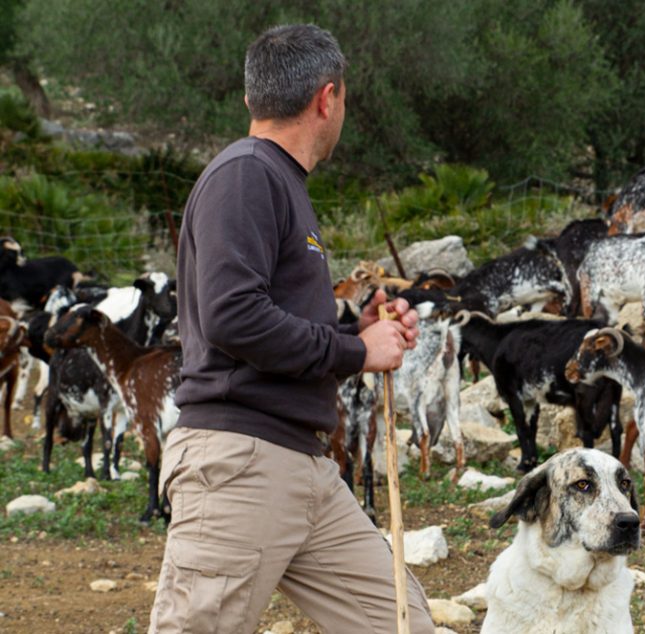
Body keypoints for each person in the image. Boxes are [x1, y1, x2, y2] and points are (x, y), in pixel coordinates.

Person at [149, 24, 435, 633]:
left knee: (400, 623)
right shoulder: (247, 175)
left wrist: (357, 333)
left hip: (304, 466)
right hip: (240, 464)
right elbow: (232, 317)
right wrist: (356, 352)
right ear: (328, 99)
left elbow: (268, 322)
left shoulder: (278, 182)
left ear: (252, 97)